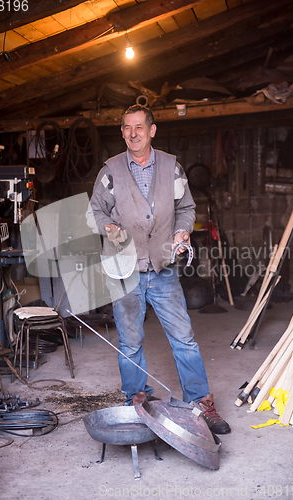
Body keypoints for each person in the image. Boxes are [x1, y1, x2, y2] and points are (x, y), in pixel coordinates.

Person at [87, 105, 230, 434]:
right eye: (127, 127)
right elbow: (95, 209)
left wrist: (182, 230)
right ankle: (137, 400)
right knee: (130, 341)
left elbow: (186, 207)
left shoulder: (170, 166)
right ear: (122, 132)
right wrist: (107, 225)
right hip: (124, 267)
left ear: (152, 130)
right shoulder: (110, 170)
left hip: (162, 266)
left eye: (139, 127)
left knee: (184, 338)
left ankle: (200, 404)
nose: (133, 133)